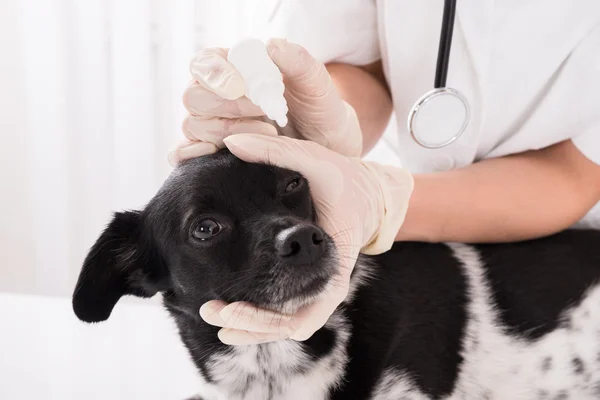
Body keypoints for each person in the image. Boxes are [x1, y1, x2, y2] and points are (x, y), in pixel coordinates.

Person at [168, 0, 600, 345]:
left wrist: (383, 202)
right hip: (426, 268)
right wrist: (312, 117)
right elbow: (362, 65)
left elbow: (574, 171)